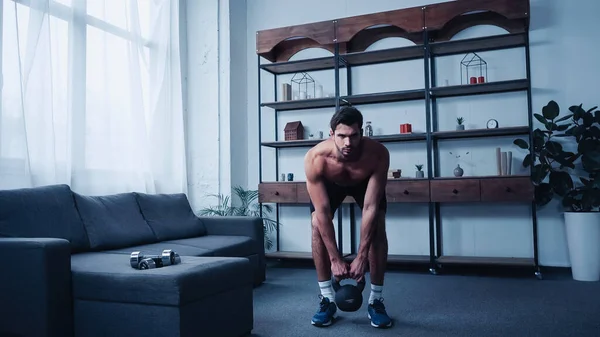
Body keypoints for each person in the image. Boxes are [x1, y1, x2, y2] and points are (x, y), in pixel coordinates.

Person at [304, 105, 392, 329]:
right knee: (316, 223)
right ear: (331, 134)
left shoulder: (377, 155)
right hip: (330, 183)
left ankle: (376, 300)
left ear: (361, 133)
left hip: (363, 182)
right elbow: (322, 213)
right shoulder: (316, 158)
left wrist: (361, 256)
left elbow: (370, 208)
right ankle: (327, 299)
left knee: (378, 223)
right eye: (341, 136)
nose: (348, 143)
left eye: (354, 136)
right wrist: (335, 259)